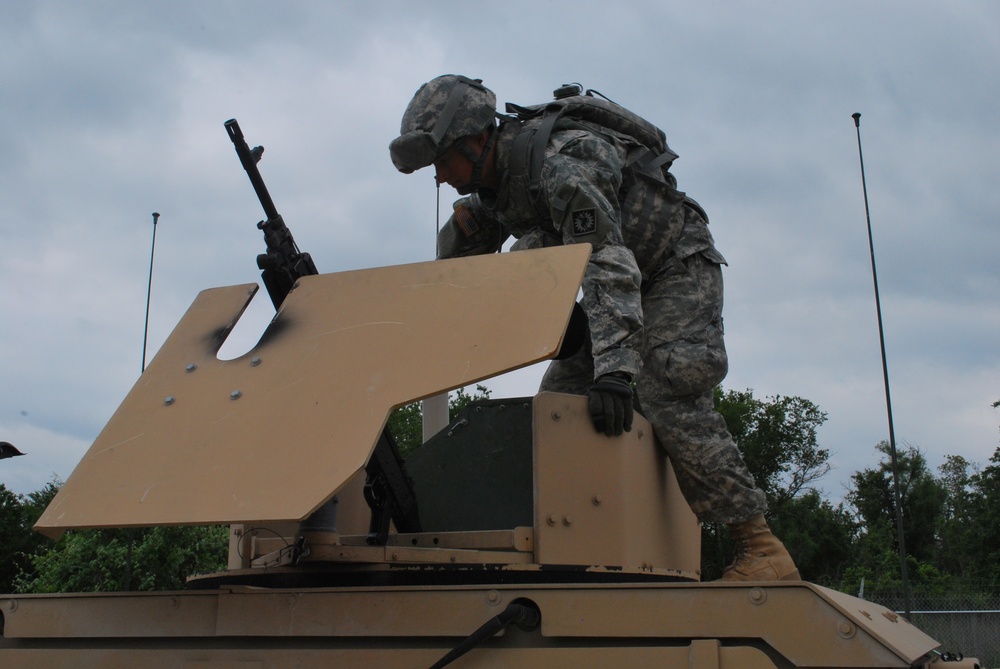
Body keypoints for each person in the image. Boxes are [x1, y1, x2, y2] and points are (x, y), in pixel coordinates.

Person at [389, 74, 799, 582]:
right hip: (617, 285)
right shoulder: (496, 183)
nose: (440, 176)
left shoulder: (564, 165)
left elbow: (608, 262)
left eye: (444, 161)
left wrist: (616, 372)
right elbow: (463, 270)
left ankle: (761, 548)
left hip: (672, 268)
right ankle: (576, 555)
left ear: (477, 140)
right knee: (559, 410)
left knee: (666, 388)